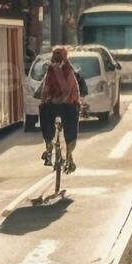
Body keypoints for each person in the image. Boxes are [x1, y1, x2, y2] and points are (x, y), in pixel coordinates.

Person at [36, 45, 86, 173]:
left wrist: (47, 100)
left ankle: (49, 148)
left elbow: (46, 89)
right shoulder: (69, 70)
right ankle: (68, 156)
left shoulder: (52, 70)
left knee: (44, 113)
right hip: (68, 105)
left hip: (55, 105)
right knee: (71, 129)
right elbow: (72, 91)